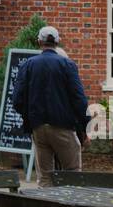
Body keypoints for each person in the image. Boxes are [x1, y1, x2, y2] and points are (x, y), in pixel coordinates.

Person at [14, 25, 89, 183]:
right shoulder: (67, 65)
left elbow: (17, 100)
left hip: (38, 127)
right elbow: (79, 100)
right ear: (58, 42)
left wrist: (30, 117)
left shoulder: (28, 65)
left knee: (45, 177)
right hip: (63, 126)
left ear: (39, 42)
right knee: (73, 173)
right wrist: (85, 125)